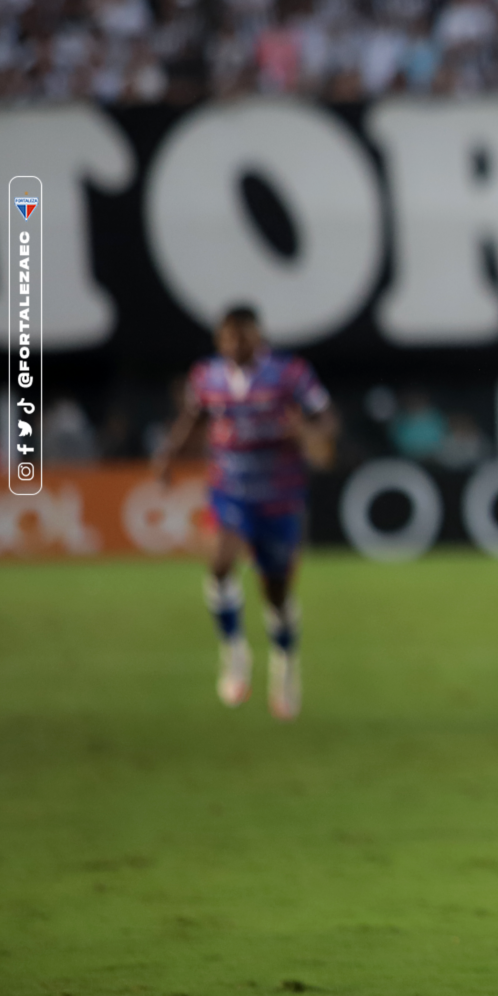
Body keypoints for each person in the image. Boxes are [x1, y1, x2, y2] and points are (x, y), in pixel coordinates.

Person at [153, 305, 338, 720]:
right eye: (228, 337)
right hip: (230, 490)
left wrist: (306, 432)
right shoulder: (206, 377)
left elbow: (326, 418)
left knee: (275, 593)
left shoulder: (290, 374)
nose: (235, 344)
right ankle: (234, 651)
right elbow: (192, 417)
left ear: (259, 336)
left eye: (243, 336)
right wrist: (168, 456)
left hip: (279, 496)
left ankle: (285, 663)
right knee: (219, 564)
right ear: (220, 341)